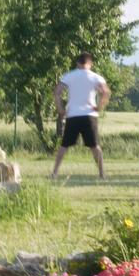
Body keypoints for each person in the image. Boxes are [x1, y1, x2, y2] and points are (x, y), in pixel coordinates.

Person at [51, 52, 111, 180]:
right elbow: (106, 92)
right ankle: (101, 174)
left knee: (64, 146)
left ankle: (54, 173)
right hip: (89, 115)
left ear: (78, 63)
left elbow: (57, 92)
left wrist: (61, 109)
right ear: (90, 63)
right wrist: (99, 107)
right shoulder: (96, 77)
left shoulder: (69, 76)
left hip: (73, 115)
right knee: (95, 146)